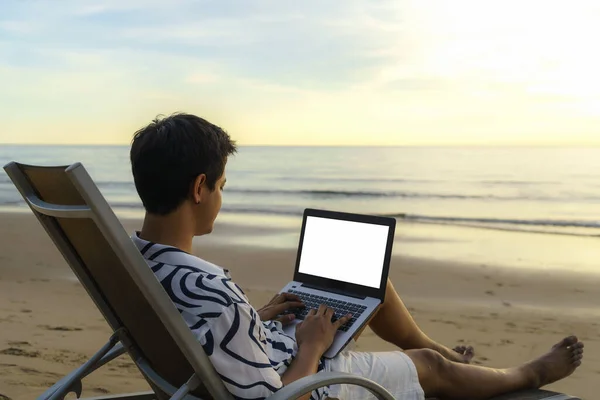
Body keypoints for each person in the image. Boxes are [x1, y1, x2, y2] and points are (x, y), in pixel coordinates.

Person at [129, 113, 583, 400]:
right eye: (221, 188)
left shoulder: (136, 261)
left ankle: (433, 346)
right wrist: (313, 345)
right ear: (199, 188)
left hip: (258, 352)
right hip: (301, 378)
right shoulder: (210, 288)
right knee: (431, 369)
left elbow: (208, 330)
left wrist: (256, 316)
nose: (220, 200)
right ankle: (525, 373)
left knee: (370, 288)